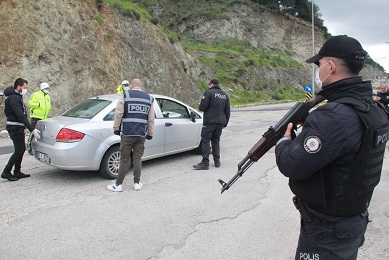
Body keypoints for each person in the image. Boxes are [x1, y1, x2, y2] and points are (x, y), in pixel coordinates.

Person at [275, 35, 389, 259]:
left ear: (331, 66)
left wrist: (284, 142)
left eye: (319, 64)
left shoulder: (333, 116)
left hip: (327, 231)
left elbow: (291, 164)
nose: (318, 71)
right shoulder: (373, 109)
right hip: (350, 222)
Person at [107, 78, 155, 192]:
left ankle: (118, 185)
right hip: (141, 134)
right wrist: (150, 133)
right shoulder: (149, 98)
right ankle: (137, 183)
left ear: (131, 85)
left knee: (124, 159)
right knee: (137, 158)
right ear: (141, 85)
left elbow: (118, 113)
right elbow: (151, 118)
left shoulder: (125, 95)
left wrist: (116, 128)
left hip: (127, 133)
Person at [1, 78, 41, 181]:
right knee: (19, 150)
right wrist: (32, 129)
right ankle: (6, 171)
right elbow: (20, 115)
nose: (25, 90)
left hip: (17, 127)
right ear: (18, 87)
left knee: (21, 149)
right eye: (24, 87)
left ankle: (17, 171)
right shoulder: (14, 99)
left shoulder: (16, 97)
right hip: (15, 128)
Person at [193, 78, 230, 170]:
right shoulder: (225, 95)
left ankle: (205, 163)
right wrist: (225, 123)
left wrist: (200, 103)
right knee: (216, 140)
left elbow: (202, 107)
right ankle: (217, 161)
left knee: (205, 140)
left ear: (212, 84)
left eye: (209, 84)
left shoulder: (209, 93)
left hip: (210, 121)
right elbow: (227, 111)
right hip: (220, 122)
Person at [27, 82, 52, 155]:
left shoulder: (47, 96)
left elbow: (48, 105)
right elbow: (30, 103)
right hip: (36, 117)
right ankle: (29, 147)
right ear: (42, 88)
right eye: (46, 88)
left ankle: (41, 148)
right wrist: (38, 105)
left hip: (44, 118)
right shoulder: (35, 95)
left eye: (48, 88)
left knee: (42, 133)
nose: (47, 89)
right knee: (33, 132)